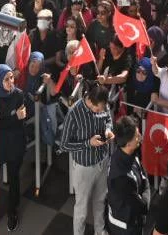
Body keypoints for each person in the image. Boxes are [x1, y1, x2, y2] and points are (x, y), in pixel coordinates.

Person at [63, 82, 114, 235]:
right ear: (90, 101)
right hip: (83, 168)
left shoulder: (103, 105)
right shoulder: (74, 113)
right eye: (98, 109)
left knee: (100, 202)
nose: (101, 111)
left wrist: (108, 130)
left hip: (103, 162)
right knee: (81, 208)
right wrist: (88, 143)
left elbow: (108, 120)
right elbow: (65, 145)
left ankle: (100, 231)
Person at [0, 62, 33, 230]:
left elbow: (22, 119)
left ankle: (13, 211)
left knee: (13, 178)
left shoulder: (18, 94)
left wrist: (19, 117)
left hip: (15, 143)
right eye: (6, 79)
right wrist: (14, 117)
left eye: (12, 77)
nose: (11, 81)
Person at [107, 115, 148, 235]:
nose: (140, 137)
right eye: (137, 136)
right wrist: (146, 195)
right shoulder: (121, 177)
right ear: (128, 143)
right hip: (125, 229)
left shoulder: (128, 153)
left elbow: (142, 175)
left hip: (132, 222)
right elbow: (142, 207)